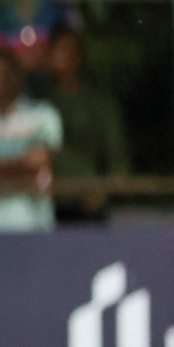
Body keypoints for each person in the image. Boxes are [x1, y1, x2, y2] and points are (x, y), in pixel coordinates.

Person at [0, 48, 63, 233]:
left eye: (4, 74)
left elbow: (36, 163)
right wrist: (18, 168)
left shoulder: (43, 115)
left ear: (17, 77)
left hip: (33, 223)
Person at [42, 28, 130, 222]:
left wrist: (100, 193)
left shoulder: (100, 105)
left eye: (70, 50)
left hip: (93, 210)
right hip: (50, 210)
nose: (64, 56)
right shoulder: (38, 108)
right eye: (58, 49)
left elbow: (119, 163)